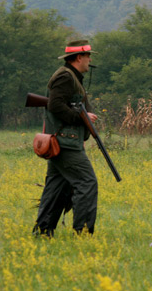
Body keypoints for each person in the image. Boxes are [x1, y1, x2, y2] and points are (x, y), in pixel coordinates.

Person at [33, 39, 99, 237]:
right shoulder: (65, 76)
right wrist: (81, 118)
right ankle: (83, 233)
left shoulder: (71, 76)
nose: (90, 60)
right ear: (79, 57)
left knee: (56, 188)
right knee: (87, 183)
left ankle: (43, 232)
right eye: (88, 56)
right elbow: (55, 105)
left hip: (64, 141)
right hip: (65, 142)